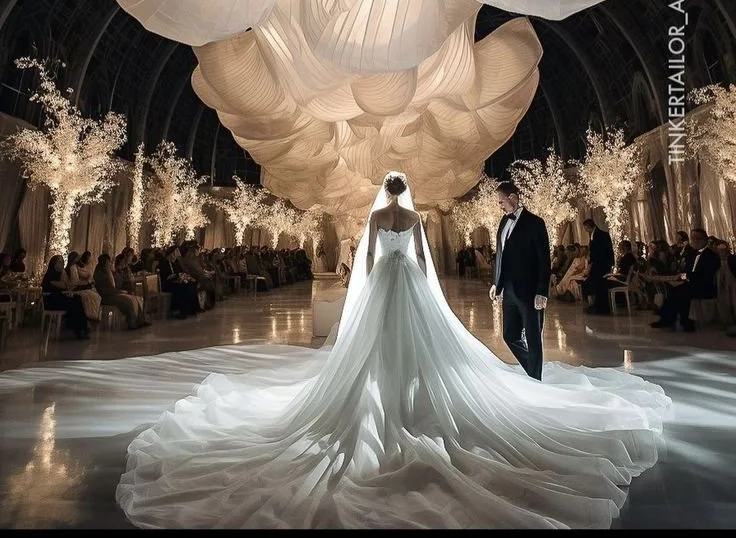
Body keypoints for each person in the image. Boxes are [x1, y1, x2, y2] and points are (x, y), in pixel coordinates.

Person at [117, 171, 670, 530]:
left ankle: (386, 397)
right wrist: (427, 287)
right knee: (421, 344)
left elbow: (365, 262)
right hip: (407, 284)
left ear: (386, 193)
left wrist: (368, 281)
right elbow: (425, 263)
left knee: (377, 345)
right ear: (408, 194)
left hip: (385, 283)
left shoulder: (380, 219)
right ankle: (416, 396)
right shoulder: (414, 220)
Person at [488, 182, 550, 381]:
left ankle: (535, 378)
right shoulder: (503, 222)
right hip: (509, 291)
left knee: (533, 339)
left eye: (501, 201)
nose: (500, 206)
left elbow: (544, 260)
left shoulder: (535, 223)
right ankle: (531, 369)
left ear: (513, 198)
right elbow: (500, 255)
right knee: (509, 335)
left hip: (531, 291)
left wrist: (542, 291)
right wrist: (496, 283)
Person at [648, 228, 720, 331]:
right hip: (691, 283)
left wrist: (685, 277)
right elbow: (687, 271)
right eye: (693, 238)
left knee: (682, 291)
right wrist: (680, 277)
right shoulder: (691, 254)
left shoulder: (711, 255)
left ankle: (683, 321)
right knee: (674, 289)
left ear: (704, 239)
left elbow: (706, 274)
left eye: (697, 238)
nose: (694, 241)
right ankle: (670, 318)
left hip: (705, 286)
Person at [94, 254, 150, 329]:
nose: (109, 264)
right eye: (108, 262)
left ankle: (140, 320)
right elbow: (106, 289)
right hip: (107, 297)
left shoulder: (108, 271)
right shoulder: (99, 273)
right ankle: (131, 322)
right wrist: (118, 292)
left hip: (113, 293)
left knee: (135, 299)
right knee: (128, 301)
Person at [41, 254, 89, 339]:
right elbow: (63, 286)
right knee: (73, 303)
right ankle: (77, 329)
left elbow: (69, 286)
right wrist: (64, 278)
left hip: (59, 298)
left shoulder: (61, 274)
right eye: (60, 262)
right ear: (54, 264)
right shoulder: (50, 274)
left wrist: (63, 274)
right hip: (51, 301)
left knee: (77, 298)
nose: (62, 264)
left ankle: (82, 328)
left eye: (63, 262)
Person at [581, 219, 615, 314]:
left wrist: (592, 263)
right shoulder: (597, 235)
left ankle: (601, 308)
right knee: (597, 285)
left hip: (601, 264)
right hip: (600, 264)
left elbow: (600, 252)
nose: (586, 230)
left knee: (599, 285)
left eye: (586, 228)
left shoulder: (599, 235)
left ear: (588, 226)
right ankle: (598, 306)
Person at [66, 250, 102, 323]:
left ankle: (95, 316)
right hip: (75, 289)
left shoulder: (79, 267)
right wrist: (87, 281)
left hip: (83, 286)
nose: (78, 260)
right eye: (77, 258)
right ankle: (90, 317)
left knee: (96, 296)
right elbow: (75, 281)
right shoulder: (73, 267)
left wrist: (89, 281)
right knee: (91, 296)